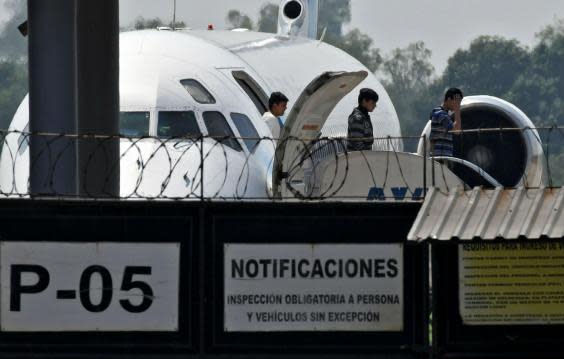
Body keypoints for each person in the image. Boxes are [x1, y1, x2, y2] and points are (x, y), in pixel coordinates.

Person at [429, 88, 463, 157]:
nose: (458, 104)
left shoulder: (444, 114)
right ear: (449, 99)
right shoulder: (440, 113)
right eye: (456, 101)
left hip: (444, 156)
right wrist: (457, 110)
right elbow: (457, 130)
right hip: (440, 157)